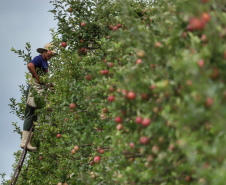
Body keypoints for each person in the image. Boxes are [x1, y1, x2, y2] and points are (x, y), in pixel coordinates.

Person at [20, 43, 56, 152]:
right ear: (44, 52)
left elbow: (44, 79)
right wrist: (37, 78)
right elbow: (30, 65)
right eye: (50, 53)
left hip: (40, 90)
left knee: (35, 115)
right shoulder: (39, 59)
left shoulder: (45, 63)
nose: (51, 56)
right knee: (31, 113)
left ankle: (28, 142)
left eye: (52, 55)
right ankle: (24, 142)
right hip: (34, 90)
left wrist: (50, 85)